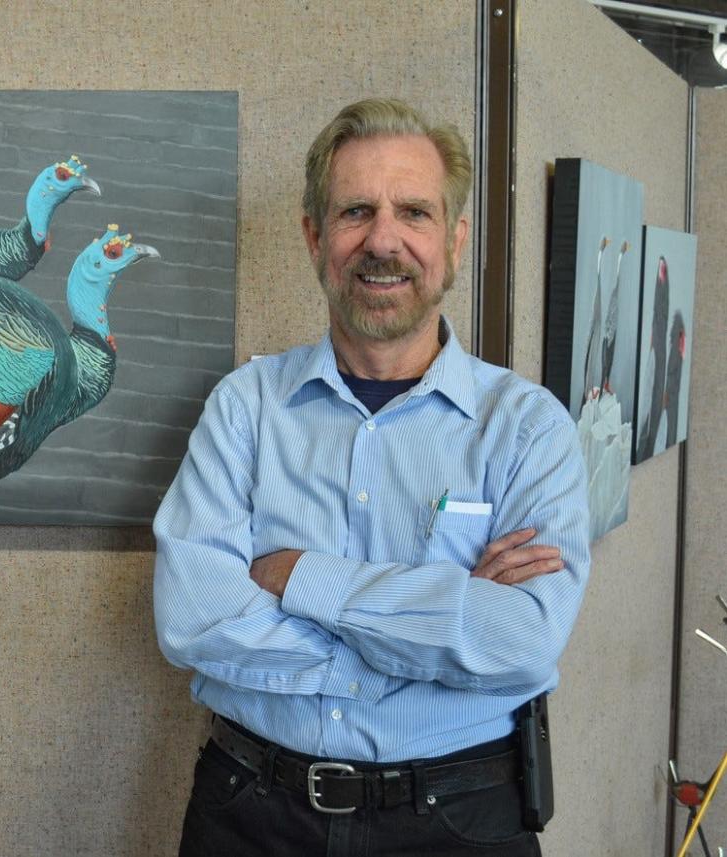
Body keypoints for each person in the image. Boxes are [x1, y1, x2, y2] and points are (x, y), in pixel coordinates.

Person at [152, 98, 591, 856]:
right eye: (356, 211)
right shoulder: (245, 409)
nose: (383, 239)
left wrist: (299, 577)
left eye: (413, 212)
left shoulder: (528, 427)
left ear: (453, 242)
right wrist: (442, 624)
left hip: (459, 816)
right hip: (251, 812)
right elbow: (193, 618)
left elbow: (521, 641)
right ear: (315, 237)